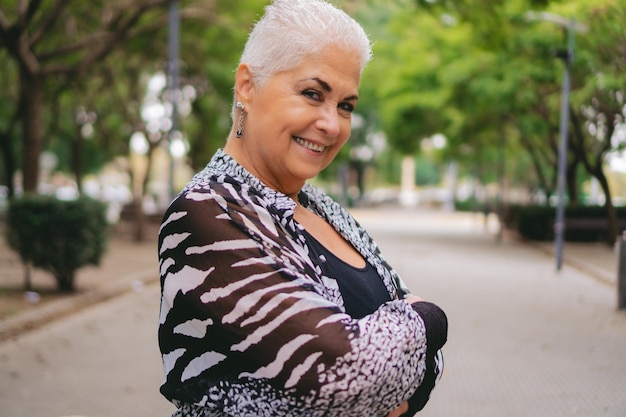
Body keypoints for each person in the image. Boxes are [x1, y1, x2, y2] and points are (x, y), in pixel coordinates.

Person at [157, 1, 447, 416]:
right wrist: (429, 318)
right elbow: (342, 373)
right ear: (247, 85)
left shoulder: (325, 210)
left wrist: (389, 382)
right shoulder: (207, 211)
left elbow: (423, 366)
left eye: (346, 105)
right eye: (313, 94)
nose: (332, 124)